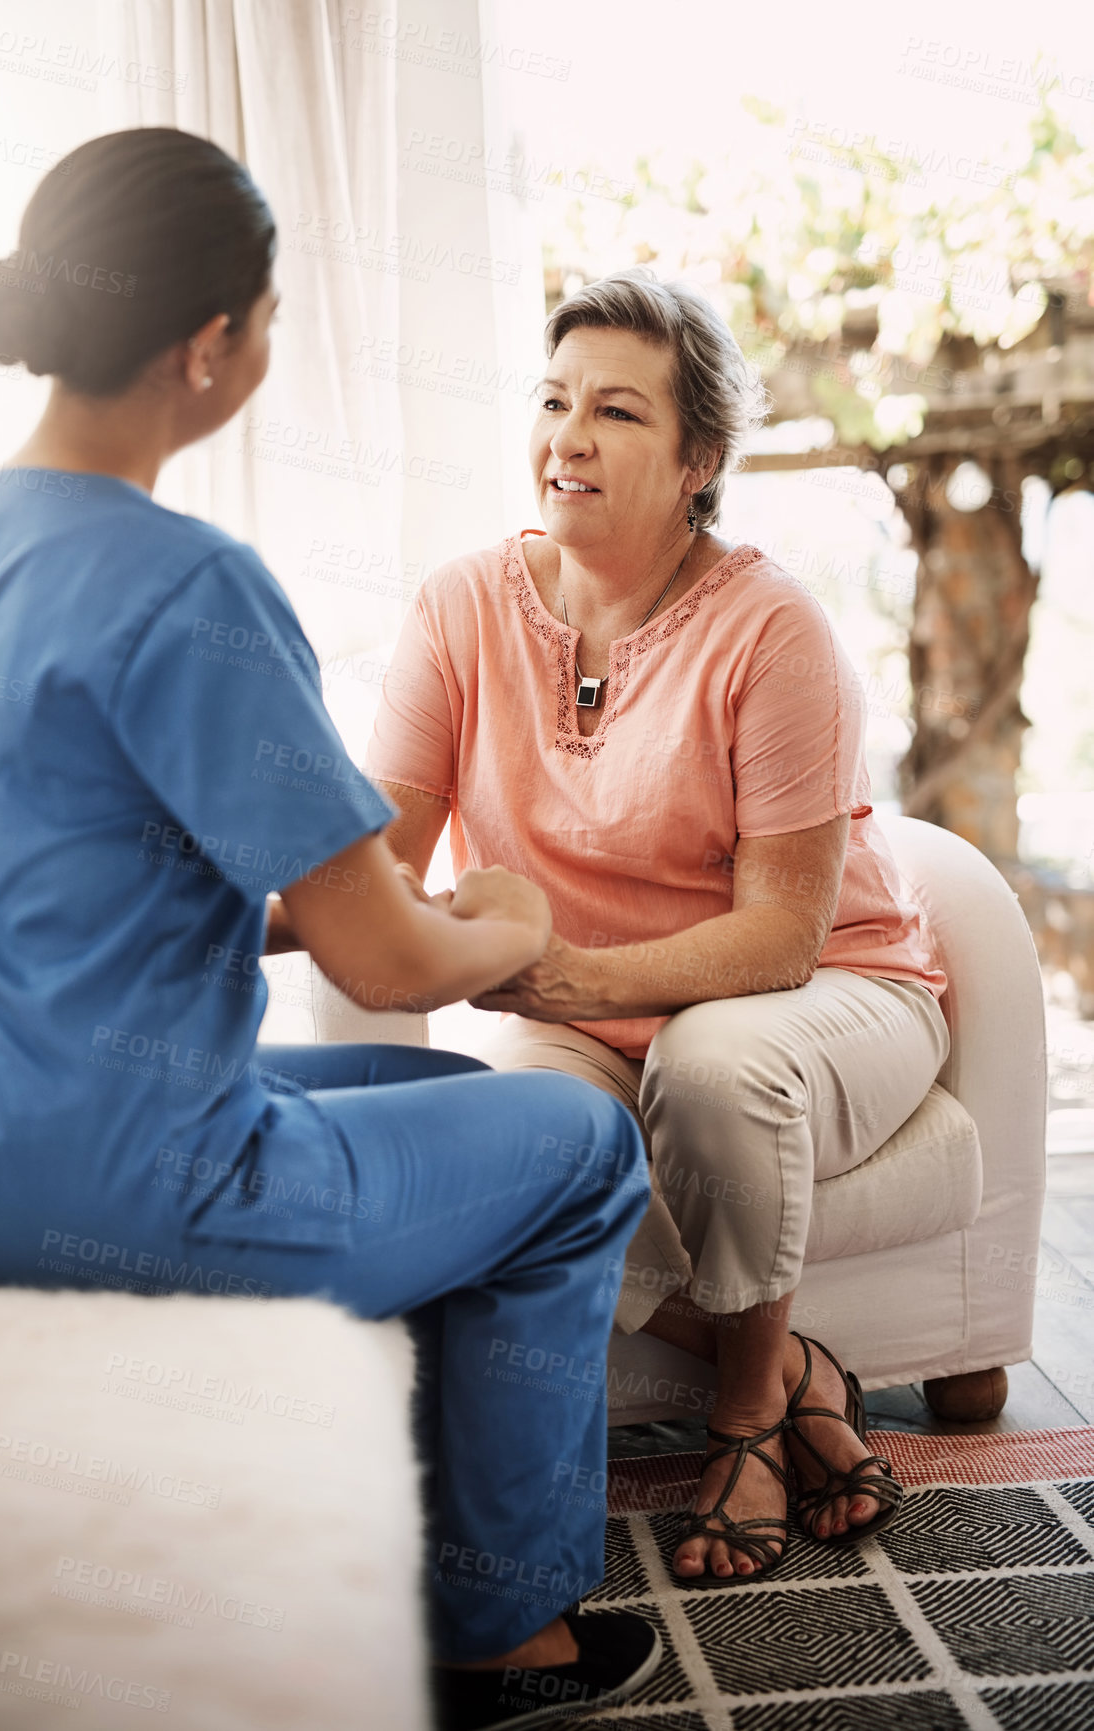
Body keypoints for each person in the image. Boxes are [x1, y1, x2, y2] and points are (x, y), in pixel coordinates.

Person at [0, 130, 664, 1730]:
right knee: (582, 1151)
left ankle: (408, 1515)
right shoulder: (192, 584)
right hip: (140, 1186)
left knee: (455, 1110)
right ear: (210, 345)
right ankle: (502, 1636)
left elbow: (55, 875)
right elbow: (389, 961)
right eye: (267, 319)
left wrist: (305, 913)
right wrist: (505, 921)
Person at [368, 269, 949, 1588]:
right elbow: (378, 866)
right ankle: (798, 1369)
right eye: (556, 400)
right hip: (583, 1012)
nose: (568, 437)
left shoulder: (771, 627)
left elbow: (779, 944)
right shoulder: (459, 608)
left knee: (714, 1065)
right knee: (522, 1143)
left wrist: (567, 976)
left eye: (617, 413)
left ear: (699, 460)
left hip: (829, 992)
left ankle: (743, 1421)